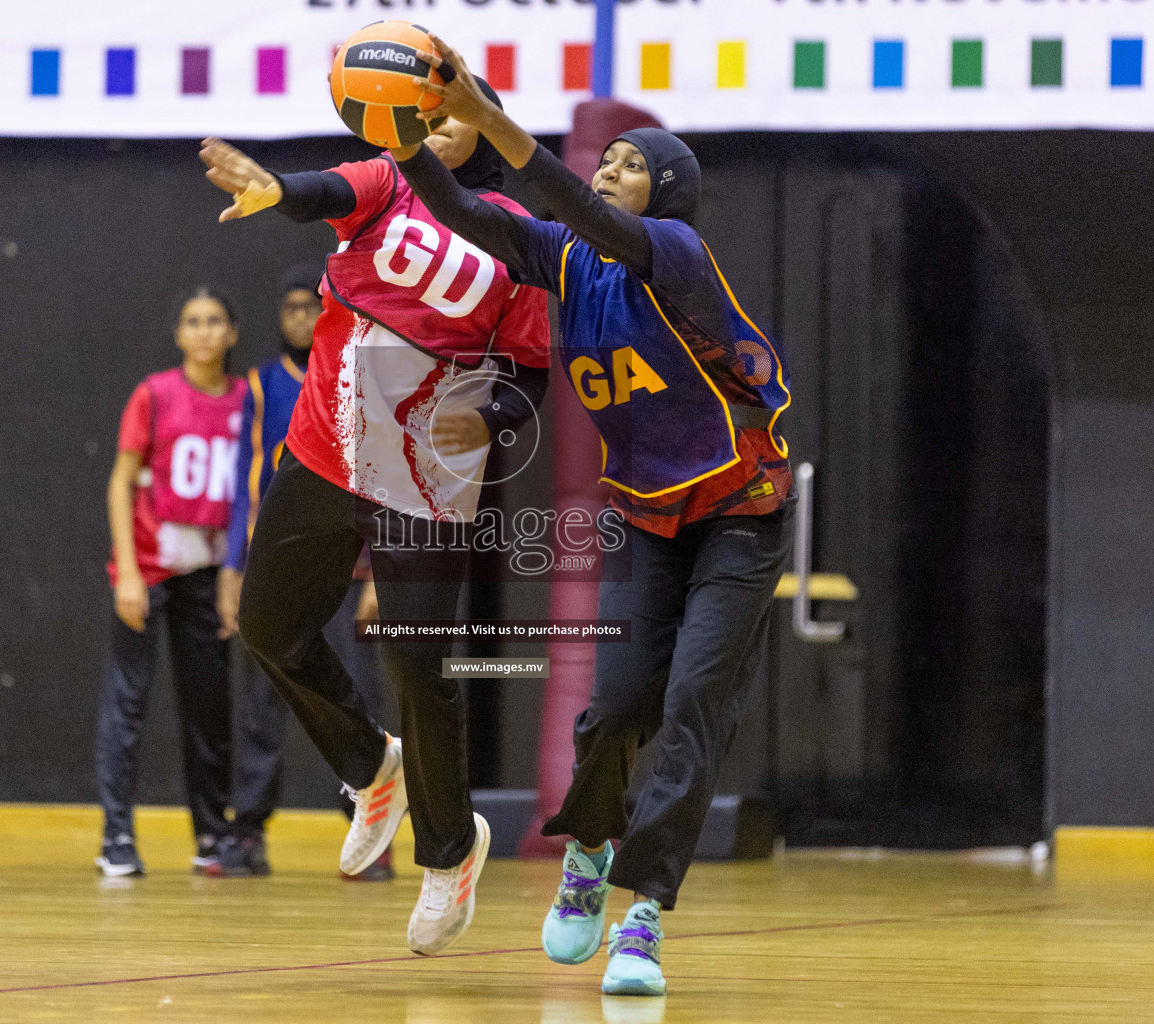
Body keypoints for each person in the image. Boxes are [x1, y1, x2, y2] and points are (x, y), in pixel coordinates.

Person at [388, 38, 794, 996]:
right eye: (604, 158)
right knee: (611, 709)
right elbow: (462, 208)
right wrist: (400, 138)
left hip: (741, 513)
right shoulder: (566, 258)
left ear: (665, 194)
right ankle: (591, 854)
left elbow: (566, 202)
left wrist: (490, 119)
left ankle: (644, 916)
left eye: (627, 164)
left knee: (694, 705)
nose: (605, 169)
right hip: (652, 518)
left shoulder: (677, 255)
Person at [198, 76, 552, 956]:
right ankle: (369, 765)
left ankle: (447, 854)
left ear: (476, 127)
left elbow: (534, 371)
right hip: (325, 445)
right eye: (419, 118)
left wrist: (500, 418)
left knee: (418, 668)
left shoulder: (519, 242)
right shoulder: (387, 179)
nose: (428, 127)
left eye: (445, 117)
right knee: (267, 627)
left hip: (426, 472)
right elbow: (324, 191)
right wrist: (278, 190)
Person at [217, 263, 395, 882]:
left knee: (355, 696)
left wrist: (376, 572)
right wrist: (235, 569)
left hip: (348, 569)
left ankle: (371, 829)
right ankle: (247, 835)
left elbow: (381, 477)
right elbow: (248, 484)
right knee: (264, 702)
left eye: (308, 307)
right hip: (279, 564)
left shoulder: (363, 375)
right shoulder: (262, 384)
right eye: (290, 307)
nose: (300, 317)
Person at [95, 286, 251, 878]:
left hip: (210, 575)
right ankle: (115, 836)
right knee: (127, 704)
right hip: (151, 569)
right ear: (180, 335)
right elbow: (120, 481)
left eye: (216, 321)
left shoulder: (245, 399)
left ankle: (212, 836)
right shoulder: (154, 394)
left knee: (209, 707)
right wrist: (129, 571)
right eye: (194, 321)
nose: (205, 331)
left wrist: (236, 576)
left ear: (232, 334)